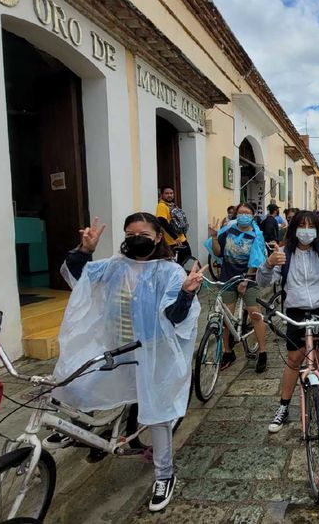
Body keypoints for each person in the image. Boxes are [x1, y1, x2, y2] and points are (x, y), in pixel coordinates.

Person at [50, 213, 202, 512]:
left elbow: (176, 317)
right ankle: (103, 435)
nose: (136, 238)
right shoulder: (115, 265)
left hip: (154, 353)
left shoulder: (170, 272)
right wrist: (84, 251)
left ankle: (164, 475)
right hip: (117, 349)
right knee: (78, 388)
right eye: (130, 233)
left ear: (158, 236)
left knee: (157, 415)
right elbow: (79, 279)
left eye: (143, 233)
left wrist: (186, 293)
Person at [257, 211, 319, 432]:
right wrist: (269, 264)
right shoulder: (284, 254)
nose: (306, 230)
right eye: (302, 225)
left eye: (311, 226)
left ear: (318, 230)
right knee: (294, 358)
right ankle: (283, 406)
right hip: (297, 307)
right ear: (293, 228)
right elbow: (262, 282)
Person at [209, 202, 268, 373]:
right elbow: (219, 252)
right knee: (226, 318)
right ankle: (228, 352)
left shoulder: (256, 235)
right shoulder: (228, 231)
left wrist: (247, 280)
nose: (243, 215)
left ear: (252, 215)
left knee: (255, 313)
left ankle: (263, 352)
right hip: (228, 278)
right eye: (240, 212)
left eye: (247, 212)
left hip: (248, 279)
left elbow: (257, 260)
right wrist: (214, 237)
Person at [156, 187, 191, 266]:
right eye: (167, 193)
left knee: (185, 259)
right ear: (162, 195)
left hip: (181, 239)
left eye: (171, 193)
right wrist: (175, 237)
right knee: (175, 265)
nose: (169, 195)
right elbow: (163, 221)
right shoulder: (161, 206)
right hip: (171, 242)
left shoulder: (173, 206)